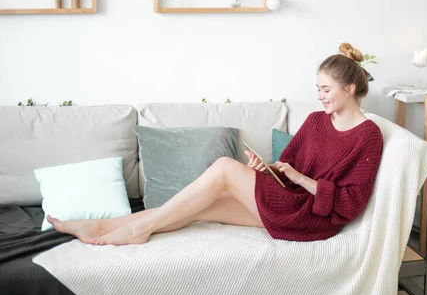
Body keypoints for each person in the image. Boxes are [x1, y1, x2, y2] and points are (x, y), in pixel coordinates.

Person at [47, 43, 384, 245]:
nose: (319, 96)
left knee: (224, 168)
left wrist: (298, 179)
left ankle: (137, 229)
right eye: (318, 88)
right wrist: (268, 171)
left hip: (313, 221)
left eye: (325, 89)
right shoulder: (315, 122)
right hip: (290, 203)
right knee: (203, 206)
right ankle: (99, 227)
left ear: (350, 89)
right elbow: (286, 171)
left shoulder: (368, 135)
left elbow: (350, 205)